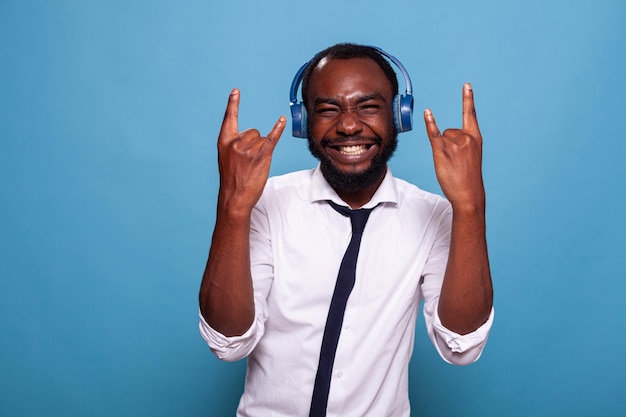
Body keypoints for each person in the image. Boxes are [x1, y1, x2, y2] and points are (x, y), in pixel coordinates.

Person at [199, 43, 494, 417]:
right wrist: (233, 205)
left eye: (368, 107)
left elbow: (461, 347)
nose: (349, 125)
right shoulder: (265, 205)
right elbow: (227, 343)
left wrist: (470, 206)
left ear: (399, 115)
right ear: (303, 122)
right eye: (327, 110)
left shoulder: (431, 215)